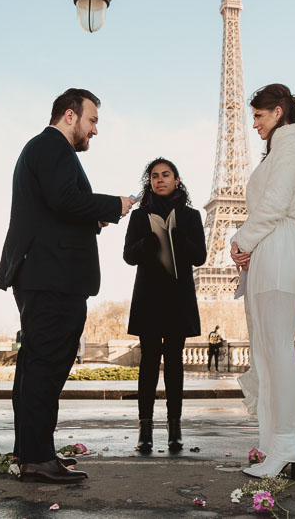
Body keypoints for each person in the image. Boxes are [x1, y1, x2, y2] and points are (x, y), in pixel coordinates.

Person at [0, 88, 133, 484]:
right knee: (47, 367)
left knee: (35, 366)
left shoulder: (40, 149)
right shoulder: (54, 147)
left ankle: (32, 451)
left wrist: (91, 220)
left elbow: (57, 207)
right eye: (92, 121)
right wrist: (113, 205)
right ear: (70, 116)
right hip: (52, 276)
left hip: (41, 273)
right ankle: (36, 457)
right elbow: (63, 197)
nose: (94, 131)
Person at [229, 83, 295, 480]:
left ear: (278, 112)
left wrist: (241, 240)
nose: (254, 124)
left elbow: (275, 203)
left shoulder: (290, 147)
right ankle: (288, 446)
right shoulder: (283, 148)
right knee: (270, 350)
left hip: (277, 247)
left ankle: (286, 447)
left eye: (259, 115)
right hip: (271, 249)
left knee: (276, 349)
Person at [124, 158, 206, 454]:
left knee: (174, 364)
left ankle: (175, 428)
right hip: (149, 297)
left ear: (176, 179)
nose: (160, 180)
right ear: (150, 181)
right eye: (155, 176)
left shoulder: (192, 216)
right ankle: (144, 429)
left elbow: (200, 258)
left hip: (177, 298)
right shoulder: (138, 216)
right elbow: (128, 257)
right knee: (147, 364)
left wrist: (181, 241)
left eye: (165, 175)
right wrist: (145, 243)